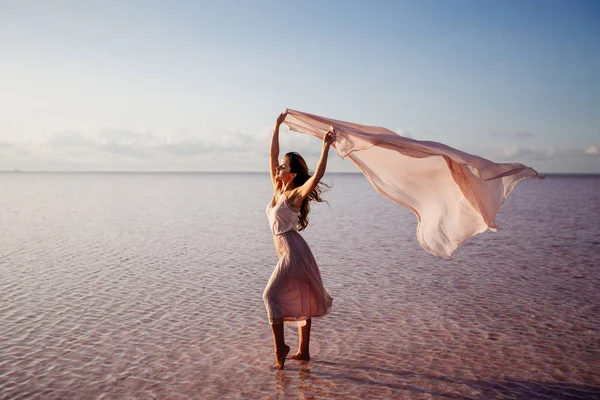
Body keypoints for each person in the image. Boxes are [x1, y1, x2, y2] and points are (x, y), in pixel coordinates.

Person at [263, 110, 334, 370]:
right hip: (288, 251)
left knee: (269, 296)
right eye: (280, 165)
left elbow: (316, 178)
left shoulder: (293, 194)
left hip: (293, 250)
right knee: (300, 294)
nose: (278, 167)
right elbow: (272, 155)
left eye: (283, 166)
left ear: (292, 174)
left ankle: (280, 347)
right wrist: (276, 127)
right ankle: (303, 352)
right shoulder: (277, 188)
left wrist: (325, 147)